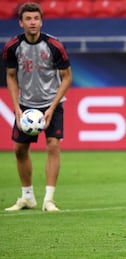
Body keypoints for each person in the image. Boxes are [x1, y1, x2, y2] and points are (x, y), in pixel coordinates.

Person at [3, 2, 72, 212]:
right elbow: (11, 76)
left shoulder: (54, 45)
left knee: (53, 144)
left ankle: (49, 199)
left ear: (41, 21)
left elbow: (67, 77)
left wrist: (51, 107)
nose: (32, 23)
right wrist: (16, 106)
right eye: (28, 19)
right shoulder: (13, 47)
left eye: (36, 18)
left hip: (52, 102)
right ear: (21, 22)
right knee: (19, 149)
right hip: (26, 104)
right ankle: (27, 197)